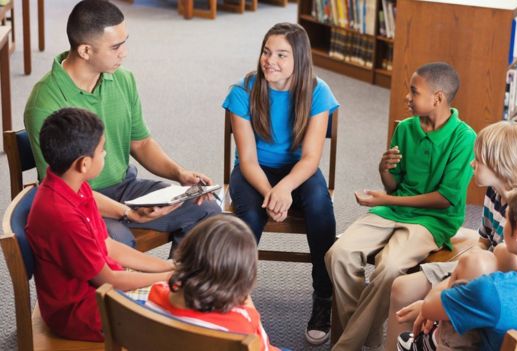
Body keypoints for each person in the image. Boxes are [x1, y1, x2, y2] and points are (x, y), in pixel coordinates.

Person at [24, 0, 220, 252]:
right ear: (85, 51)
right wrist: (126, 212)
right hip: (79, 201)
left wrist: (179, 174)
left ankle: (178, 288)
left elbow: (140, 142)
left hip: (125, 186)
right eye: (115, 46)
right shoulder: (44, 103)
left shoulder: (123, 78)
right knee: (119, 242)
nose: (124, 53)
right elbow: (62, 188)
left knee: (207, 210)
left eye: (124, 42)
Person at [325, 62, 476, 351]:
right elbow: (393, 185)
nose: (407, 97)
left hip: (433, 221)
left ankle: (346, 346)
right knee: (338, 255)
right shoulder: (405, 129)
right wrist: (384, 171)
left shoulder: (464, 138)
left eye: (414, 91)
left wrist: (387, 199)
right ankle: (366, 338)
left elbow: (445, 198)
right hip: (393, 211)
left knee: (391, 267)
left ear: (438, 98)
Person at [222, 22, 339, 345]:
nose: (270, 60)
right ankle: (235, 296)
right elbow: (246, 160)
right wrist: (270, 192)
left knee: (319, 206)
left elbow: (311, 158)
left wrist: (285, 187)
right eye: (266, 51)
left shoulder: (318, 92)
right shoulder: (242, 91)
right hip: (255, 172)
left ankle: (323, 297)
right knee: (248, 217)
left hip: (298, 171)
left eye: (281, 55)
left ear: (299, 60)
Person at [386, 120, 517, 349]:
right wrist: (456, 274)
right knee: (401, 288)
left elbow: (507, 277)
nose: (471, 163)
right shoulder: (494, 192)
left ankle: (426, 340)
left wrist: (446, 293)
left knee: (431, 307)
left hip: (495, 284)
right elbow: (483, 242)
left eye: (478, 160)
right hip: (480, 268)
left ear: (500, 166)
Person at [25, 108, 175, 342]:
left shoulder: (73, 184)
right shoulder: (62, 216)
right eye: (102, 150)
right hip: (82, 313)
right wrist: (168, 277)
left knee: (182, 295)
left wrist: (166, 267)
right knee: (180, 321)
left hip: (103, 288)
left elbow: (108, 246)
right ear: (84, 164)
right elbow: (108, 280)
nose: (105, 154)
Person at [398, 181, 517, 351]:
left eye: (506, 218)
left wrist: (454, 277)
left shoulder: (492, 291)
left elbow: (430, 307)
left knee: (407, 339)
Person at [146, 215, 279, 351]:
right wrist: (248, 304)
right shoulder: (241, 321)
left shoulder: (157, 291)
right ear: (244, 276)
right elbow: (263, 347)